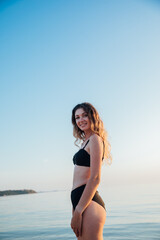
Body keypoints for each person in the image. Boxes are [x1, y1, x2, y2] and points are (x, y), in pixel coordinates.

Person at [70, 102, 112, 240]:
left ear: (92, 117)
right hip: (80, 201)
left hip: (88, 204)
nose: (80, 120)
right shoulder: (85, 142)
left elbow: (95, 178)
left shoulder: (95, 139)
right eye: (77, 117)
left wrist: (78, 210)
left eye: (84, 115)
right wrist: (75, 208)